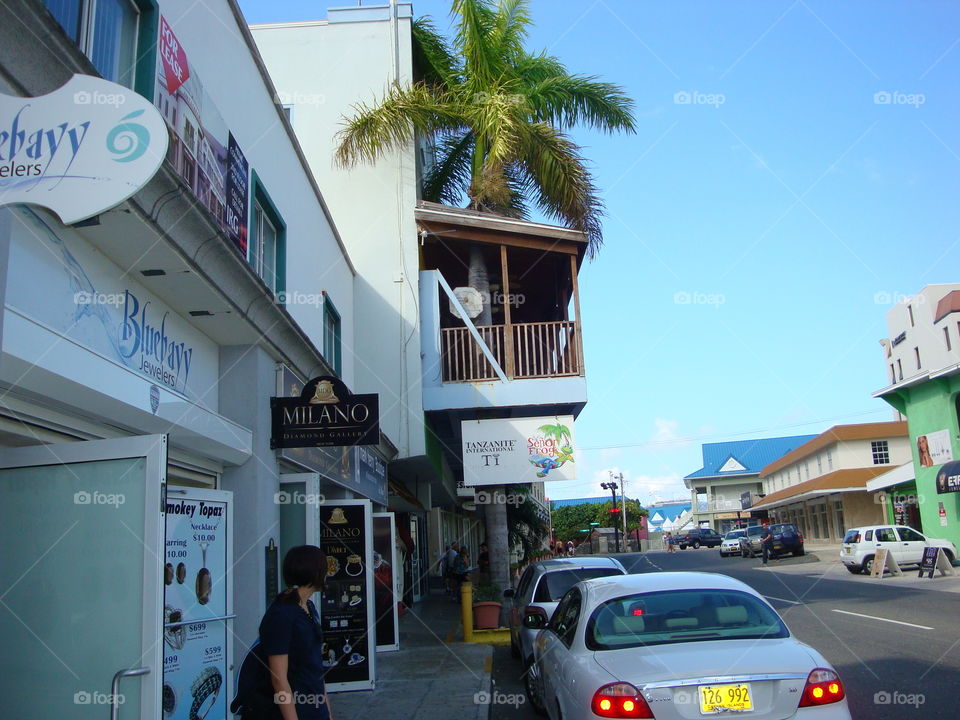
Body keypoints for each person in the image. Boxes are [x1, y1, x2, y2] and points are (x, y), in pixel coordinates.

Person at [258, 545, 332, 720]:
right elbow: (279, 679)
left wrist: (327, 712)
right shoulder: (281, 615)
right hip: (295, 709)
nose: (327, 574)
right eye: (324, 569)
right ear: (314, 573)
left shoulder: (309, 607)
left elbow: (316, 668)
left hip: (315, 706)